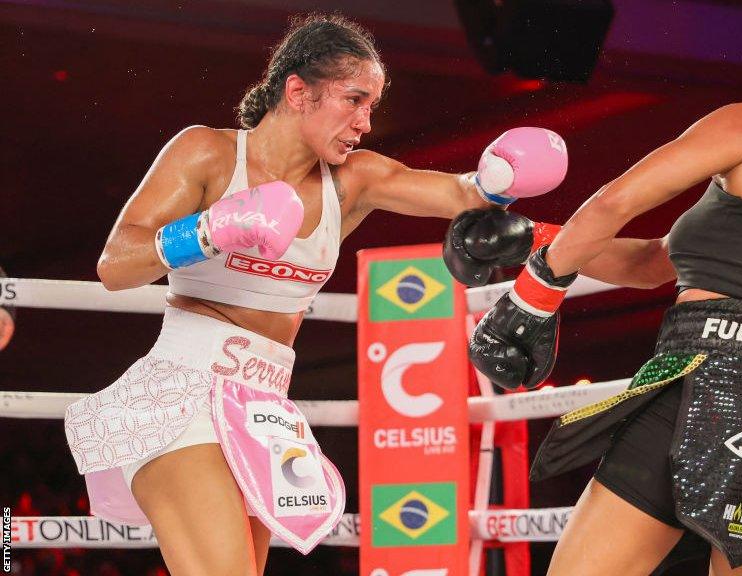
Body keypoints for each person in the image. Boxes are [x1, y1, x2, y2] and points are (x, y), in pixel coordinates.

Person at [63, 13, 567, 575]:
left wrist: (499, 178)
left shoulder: (353, 180)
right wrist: (207, 231)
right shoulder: (207, 154)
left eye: (371, 105)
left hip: (261, 406)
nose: (364, 122)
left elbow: (459, 194)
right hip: (181, 393)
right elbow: (115, 266)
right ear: (298, 91)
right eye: (354, 100)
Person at [456, 32, 742, 575]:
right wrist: (533, 238)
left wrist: (536, 291)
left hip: (705, 385)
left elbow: (615, 201)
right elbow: (652, 263)